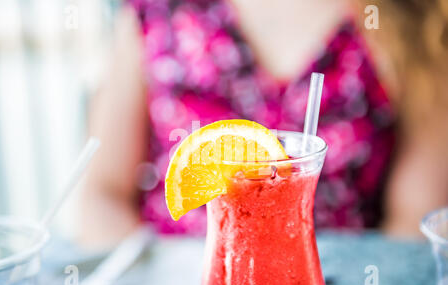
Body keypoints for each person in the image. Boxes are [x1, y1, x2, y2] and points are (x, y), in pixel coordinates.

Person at [79, 0, 447, 248]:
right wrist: (159, 281)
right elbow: (102, 193)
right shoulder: (158, 11)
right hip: (179, 274)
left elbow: (417, 220)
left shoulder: (410, 17)